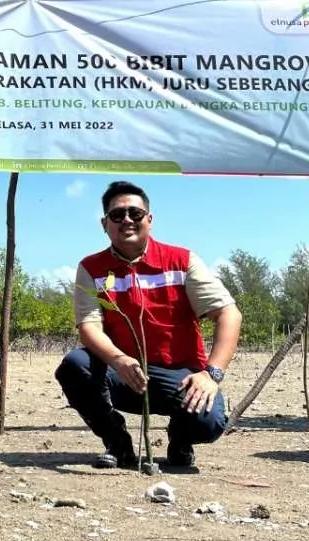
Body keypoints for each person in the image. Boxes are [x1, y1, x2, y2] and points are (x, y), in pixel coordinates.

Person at [56, 181, 242, 471]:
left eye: (135, 213)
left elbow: (229, 314)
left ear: (150, 220)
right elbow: (89, 326)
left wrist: (211, 374)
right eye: (117, 215)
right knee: (74, 365)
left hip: (179, 375)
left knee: (209, 422)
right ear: (105, 224)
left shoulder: (182, 260)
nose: (127, 220)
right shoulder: (91, 268)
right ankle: (118, 444)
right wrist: (119, 360)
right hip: (124, 372)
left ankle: (180, 440)